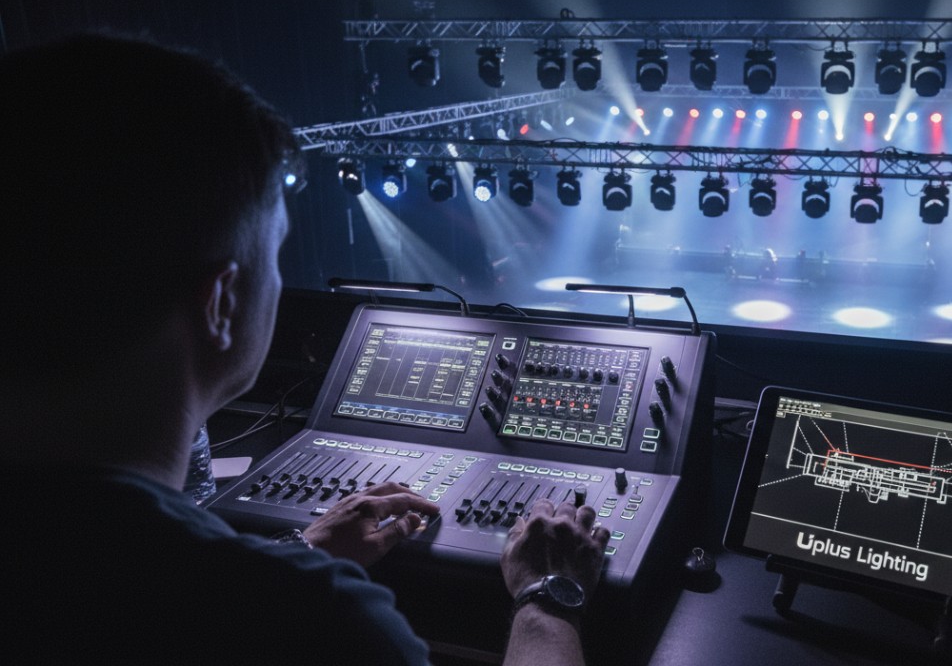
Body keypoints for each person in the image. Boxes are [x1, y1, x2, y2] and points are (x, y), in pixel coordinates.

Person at [0, 33, 608, 665]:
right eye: (276, 254)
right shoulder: (313, 619)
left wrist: (299, 548)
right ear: (220, 304)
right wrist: (547, 596)